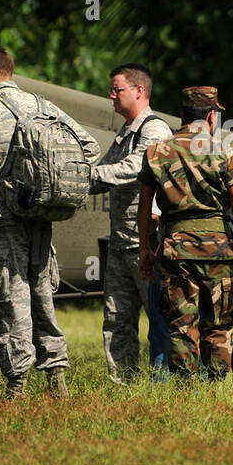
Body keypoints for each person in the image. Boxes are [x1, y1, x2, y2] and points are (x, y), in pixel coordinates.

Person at [0, 47, 98, 398]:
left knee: (9, 295)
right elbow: (89, 146)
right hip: (41, 215)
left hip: (4, 215)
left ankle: (16, 385)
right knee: (41, 295)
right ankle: (57, 379)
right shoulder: (41, 105)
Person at [136, 86, 233, 377]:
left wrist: (146, 247)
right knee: (219, 326)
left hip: (175, 250)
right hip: (218, 251)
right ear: (211, 117)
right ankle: (216, 390)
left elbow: (144, 204)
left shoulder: (156, 152)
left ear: (183, 115)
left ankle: (185, 392)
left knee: (181, 326)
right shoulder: (223, 150)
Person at [89, 62, 174, 384]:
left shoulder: (154, 131)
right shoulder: (125, 133)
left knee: (159, 319)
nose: (111, 95)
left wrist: (85, 175)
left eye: (117, 89)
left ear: (139, 91)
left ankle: (161, 385)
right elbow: (102, 173)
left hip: (146, 245)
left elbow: (130, 168)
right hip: (120, 244)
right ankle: (123, 385)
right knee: (117, 319)